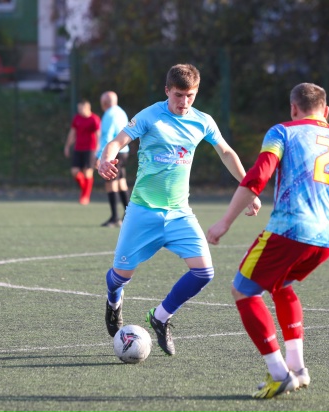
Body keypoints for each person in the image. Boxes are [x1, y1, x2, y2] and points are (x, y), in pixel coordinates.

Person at [207, 83, 329, 399]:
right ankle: (298, 368)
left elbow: (258, 177)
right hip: (327, 239)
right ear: (326, 112)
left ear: (293, 108)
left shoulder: (282, 132)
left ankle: (279, 373)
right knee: (282, 286)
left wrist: (225, 222)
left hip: (289, 230)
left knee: (243, 290)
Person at [98, 63, 261, 355]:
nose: (184, 102)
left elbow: (226, 152)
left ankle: (160, 317)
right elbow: (117, 142)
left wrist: (249, 187)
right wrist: (104, 159)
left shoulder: (203, 121)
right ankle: (113, 300)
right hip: (143, 211)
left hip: (179, 213)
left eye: (190, 96)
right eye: (178, 95)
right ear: (167, 91)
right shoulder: (149, 116)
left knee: (204, 272)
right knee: (120, 276)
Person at [96, 91, 130, 227]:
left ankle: (115, 217)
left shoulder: (108, 114)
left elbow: (107, 137)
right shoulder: (121, 112)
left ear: (104, 103)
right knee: (121, 182)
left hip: (114, 153)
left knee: (110, 183)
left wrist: (101, 156)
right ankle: (128, 215)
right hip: (125, 151)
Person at [64, 99, 101, 205]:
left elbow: (98, 135)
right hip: (78, 148)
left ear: (88, 108)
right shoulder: (77, 118)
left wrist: (98, 149)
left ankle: (85, 196)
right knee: (74, 172)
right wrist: (67, 146)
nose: (80, 110)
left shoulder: (94, 119)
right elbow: (72, 133)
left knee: (87, 172)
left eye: (81, 108)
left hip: (90, 149)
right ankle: (85, 191)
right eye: (78, 108)